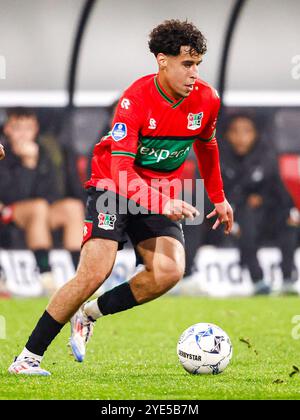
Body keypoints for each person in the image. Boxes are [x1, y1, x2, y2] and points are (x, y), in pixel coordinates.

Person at [8, 20, 233, 376]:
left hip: (159, 191)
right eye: (187, 64)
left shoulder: (207, 99)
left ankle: (89, 314)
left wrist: (219, 197)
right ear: (162, 60)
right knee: (94, 273)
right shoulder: (135, 100)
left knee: (169, 271)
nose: (194, 73)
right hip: (113, 187)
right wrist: (164, 204)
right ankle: (27, 358)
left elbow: (207, 144)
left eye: (198, 65)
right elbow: (122, 175)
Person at [0, 108, 84, 292]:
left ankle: (82, 274)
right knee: (38, 207)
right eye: (17, 128)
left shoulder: (46, 153)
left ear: (36, 129)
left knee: (72, 207)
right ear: (7, 129)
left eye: (28, 128)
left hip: (43, 211)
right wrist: (28, 165)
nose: (23, 134)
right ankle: (46, 275)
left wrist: (35, 161)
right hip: (10, 213)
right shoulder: (3, 155)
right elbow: (10, 196)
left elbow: (53, 192)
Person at [221, 114, 299, 294]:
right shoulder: (219, 158)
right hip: (235, 217)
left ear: (255, 134)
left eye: (247, 131)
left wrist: (288, 210)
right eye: (235, 131)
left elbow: (279, 191)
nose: (241, 138)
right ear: (227, 135)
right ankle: (258, 281)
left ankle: (288, 279)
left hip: (268, 215)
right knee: (244, 220)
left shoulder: (267, 156)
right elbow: (215, 194)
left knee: (288, 222)